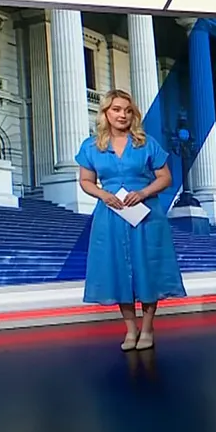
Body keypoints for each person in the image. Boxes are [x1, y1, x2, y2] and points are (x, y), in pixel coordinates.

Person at [77, 89, 186, 351]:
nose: (122, 115)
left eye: (127, 110)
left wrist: (144, 193)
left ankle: (147, 328)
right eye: (116, 109)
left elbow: (165, 178)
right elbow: (86, 181)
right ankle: (130, 329)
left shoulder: (146, 143)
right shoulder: (91, 146)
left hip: (145, 213)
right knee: (117, 269)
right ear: (106, 113)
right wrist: (103, 194)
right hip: (111, 214)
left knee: (147, 267)